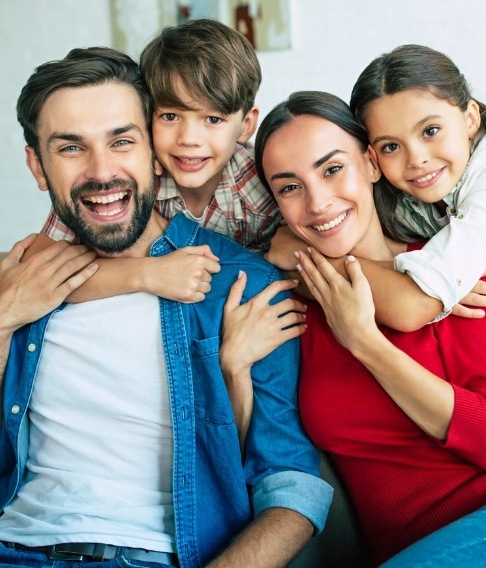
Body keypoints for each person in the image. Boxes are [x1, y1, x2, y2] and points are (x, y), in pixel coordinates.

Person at [0, 49, 333, 568]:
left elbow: (291, 486)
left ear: (154, 152)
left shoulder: (243, 286)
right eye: (70, 148)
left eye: (122, 141)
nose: (102, 171)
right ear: (37, 166)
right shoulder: (24, 283)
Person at [227, 90, 486, 566]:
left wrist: (366, 342)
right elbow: (255, 456)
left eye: (332, 169)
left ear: (369, 163)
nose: (318, 202)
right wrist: (233, 368)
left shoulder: (448, 270)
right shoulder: (293, 301)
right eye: (290, 187)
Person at [28, 18, 281, 304]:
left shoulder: (259, 182)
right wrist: (146, 273)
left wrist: (287, 245)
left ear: (246, 126)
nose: (188, 138)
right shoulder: (128, 181)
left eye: (212, 119)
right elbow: (38, 271)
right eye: (170, 116)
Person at [349, 44, 486, 320]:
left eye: (430, 131)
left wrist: (442, 284)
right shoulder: (404, 192)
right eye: (391, 147)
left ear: (470, 119)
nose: (416, 159)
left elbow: (418, 299)